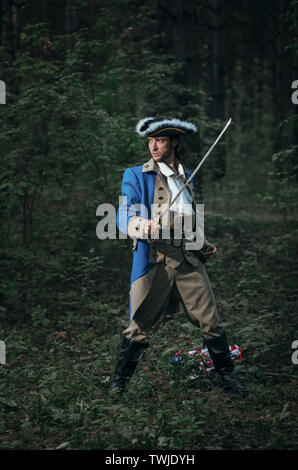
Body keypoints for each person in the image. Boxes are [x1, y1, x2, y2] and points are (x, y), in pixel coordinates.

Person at [108, 117, 248, 397]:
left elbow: (186, 221)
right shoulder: (136, 175)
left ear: (174, 142)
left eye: (159, 140)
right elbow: (124, 214)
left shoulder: (188, 176)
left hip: (188, 260)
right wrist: (141, 225)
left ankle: (228, 379)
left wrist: (200, 242)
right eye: (150, 141)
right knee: (139, 327)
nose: (153, 146)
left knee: (211, 321)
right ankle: (118, 384)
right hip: (155, 260)